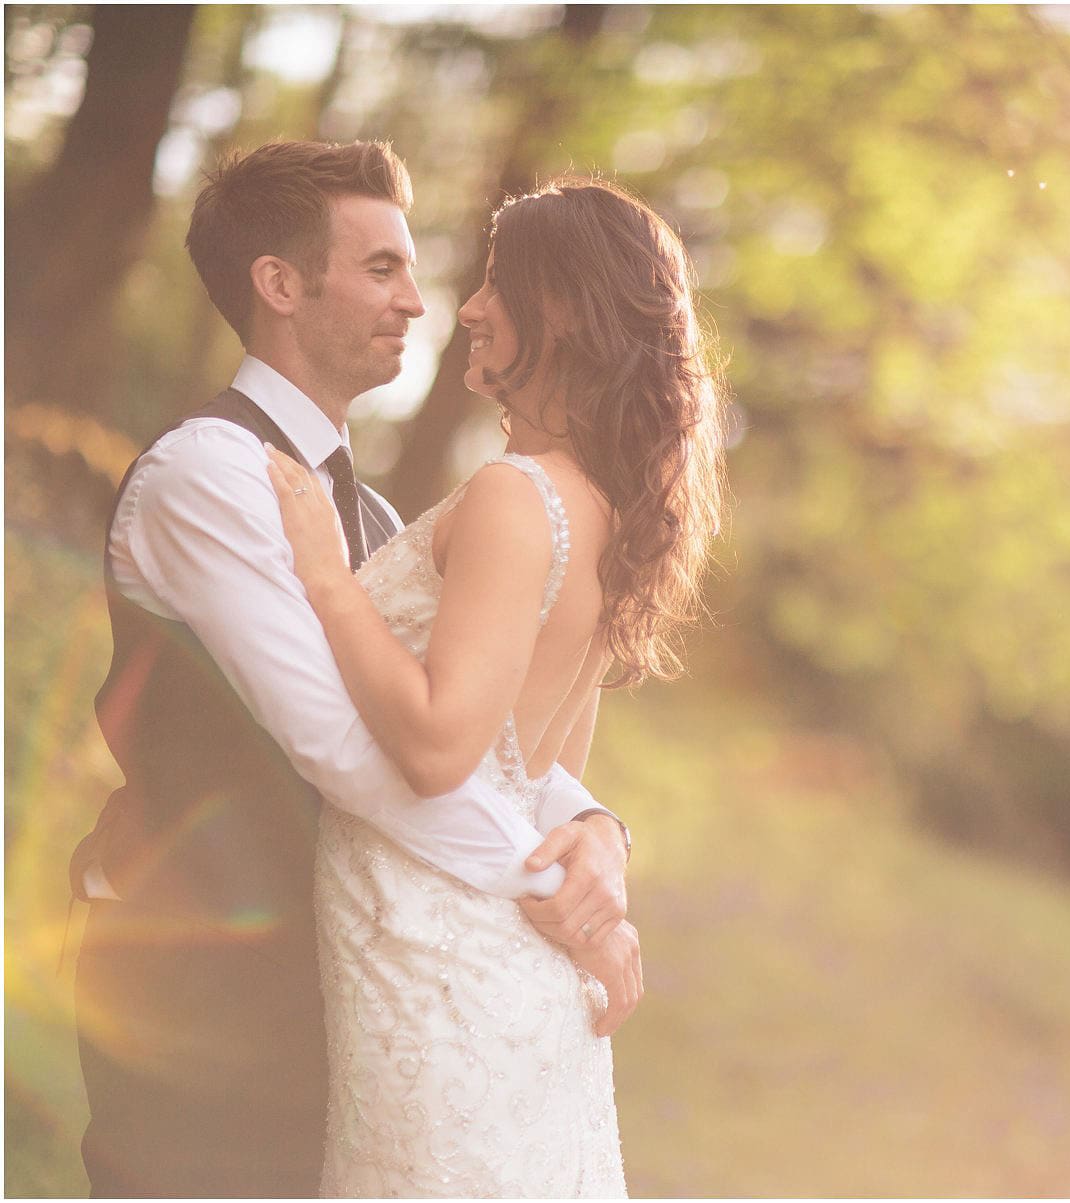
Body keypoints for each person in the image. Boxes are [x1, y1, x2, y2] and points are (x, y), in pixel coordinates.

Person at [68, 140, 641, 1198]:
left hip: (342, 987)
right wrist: (556, 894)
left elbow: (499, 742)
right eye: (380, 268)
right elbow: (347, 749)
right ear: (281, 285)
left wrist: (602, 837)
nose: (421, 304)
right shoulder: (210, 476)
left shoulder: (368, 517)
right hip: (198, 986)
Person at [263, 174, 726, 1196]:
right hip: (501, 963)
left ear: (560, 309)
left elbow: (441, 749)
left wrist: (327, 579)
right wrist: (603, 840)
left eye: (495, 284)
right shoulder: (605, 512)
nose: (466, 308)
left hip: (434, 961)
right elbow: (547, 771)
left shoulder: (521, 498)